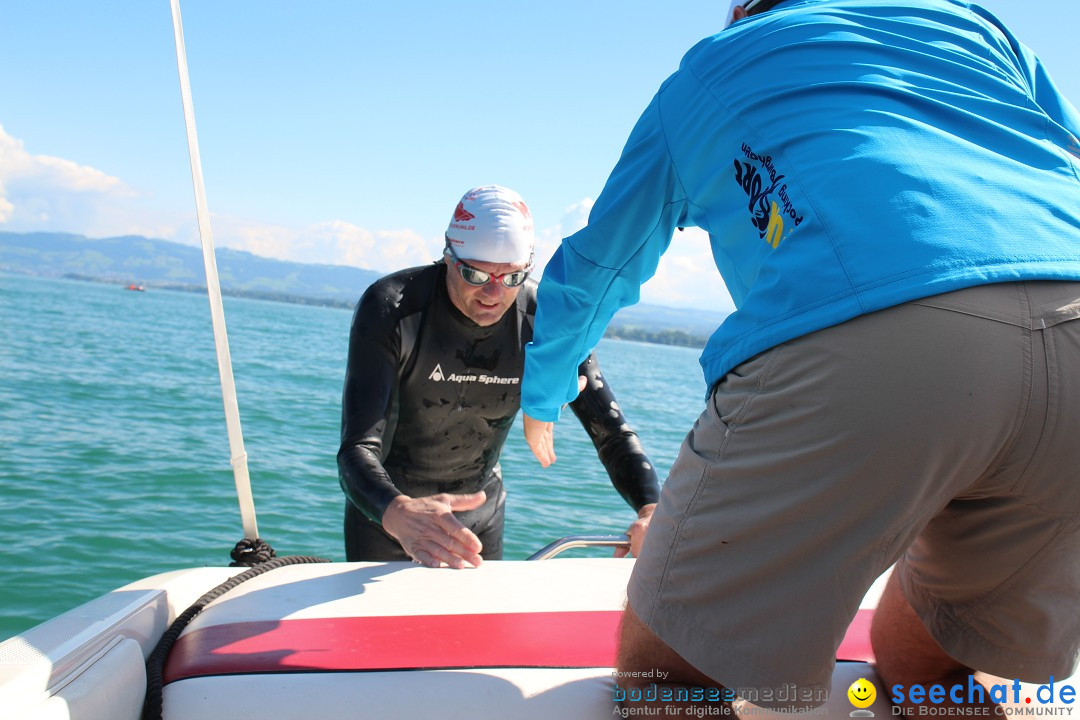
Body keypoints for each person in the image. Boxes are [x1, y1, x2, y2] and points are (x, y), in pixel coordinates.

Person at [520, 0, 1080, 712]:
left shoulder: (711, 69)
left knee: (673, 677)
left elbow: (598, 265)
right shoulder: (971, 23)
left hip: (876, 332)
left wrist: (543, 391)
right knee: (929, 666)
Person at [337, 185, 660, 569]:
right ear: (448, 256)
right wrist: (398, 512)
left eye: (512, 277)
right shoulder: (394, 307)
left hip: (481, 516)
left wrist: (651, 509)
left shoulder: (547, 321)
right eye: (476, 274)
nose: (493, 292)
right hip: (391, 518)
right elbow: (356, 449)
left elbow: (611, 432)